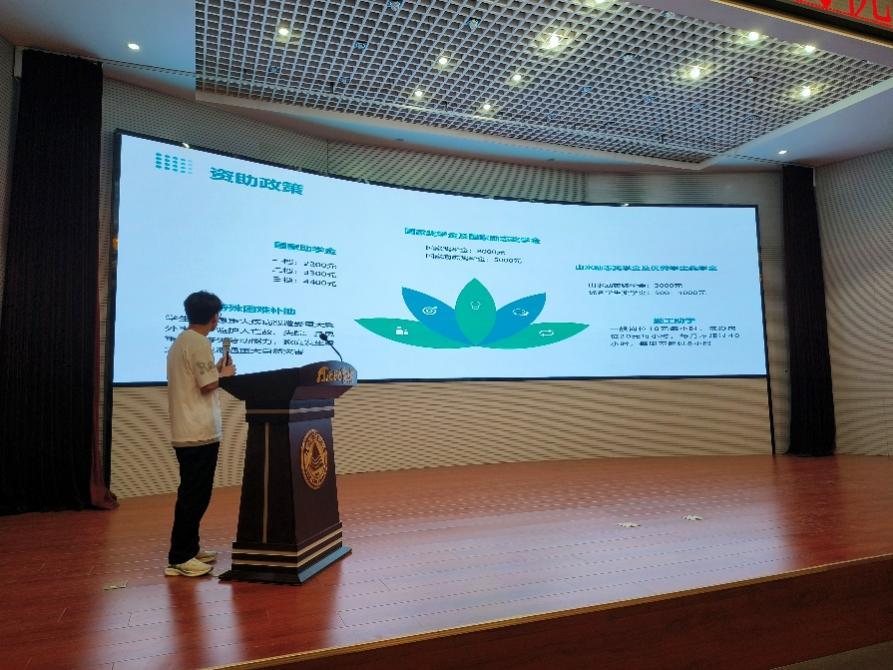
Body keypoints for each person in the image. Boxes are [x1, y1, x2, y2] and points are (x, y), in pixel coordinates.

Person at [164, 291, 236, 577]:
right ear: (214, 316)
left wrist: (216, 370)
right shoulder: (198, 342)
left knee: (193, 493)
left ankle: (189, 549)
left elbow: (200, 379)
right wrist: (225, 375)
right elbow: (207, 385)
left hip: (191, 430)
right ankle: (180, 557)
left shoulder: (183, 340)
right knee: (194, 496)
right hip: (197, 432)